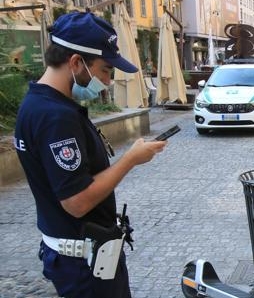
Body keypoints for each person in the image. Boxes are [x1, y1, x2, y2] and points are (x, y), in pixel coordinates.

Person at [14, 12, 167, 298]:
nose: (108, 82)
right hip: (85, 265)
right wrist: (130, 159)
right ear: (75, 62)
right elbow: (77, 201)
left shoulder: (40, 104)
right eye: (105, 70)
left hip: (79, 256)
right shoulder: (55, 117)